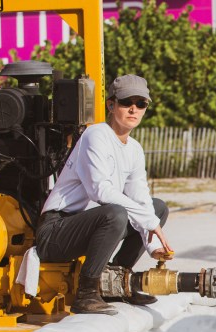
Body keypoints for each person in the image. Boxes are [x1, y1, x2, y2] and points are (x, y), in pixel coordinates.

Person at [36, 74, 173, 315]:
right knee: (115, 213)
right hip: (55, 231)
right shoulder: (96, 135)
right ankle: (86, 293)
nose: (133, 109)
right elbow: (100, 191)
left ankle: (117, 282)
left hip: (89, 224)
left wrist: (153, 247)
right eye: (126, 102)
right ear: (111, 105)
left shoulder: (134, 149)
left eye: (141, 104)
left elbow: (141, 199)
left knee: (157, 207)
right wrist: (149, 222)